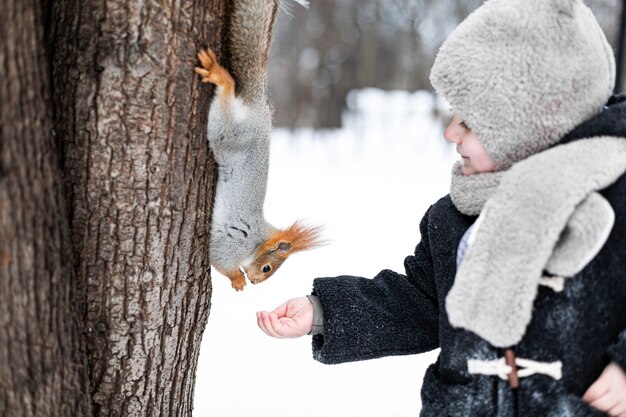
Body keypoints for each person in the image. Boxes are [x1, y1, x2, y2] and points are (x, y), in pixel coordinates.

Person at [257, 0, 626, 415]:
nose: (451, 132)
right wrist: (324, 311)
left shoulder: (614, 197)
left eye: (470, 122)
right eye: (454, 116)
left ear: (531, 122)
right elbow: (420, 301)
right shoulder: (453, 217)